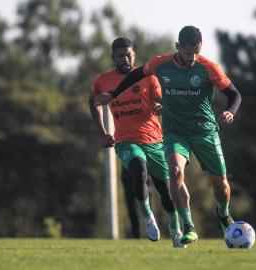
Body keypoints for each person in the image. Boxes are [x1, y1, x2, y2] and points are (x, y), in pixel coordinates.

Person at [95, 26, 242, 245]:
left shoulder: (208, 68)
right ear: (177, 47)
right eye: (187, 53)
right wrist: (114, 95)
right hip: (175, 133)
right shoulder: (159, 63)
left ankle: (222, 212)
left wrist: (230, 111)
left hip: (205, 132)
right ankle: (189, 227)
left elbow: (234, 94)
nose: (192, 58)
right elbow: (136, 75)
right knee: (175, 172)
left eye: (196, 53)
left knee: (221, 184)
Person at [89, 37, 185, 248]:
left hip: (154, 141)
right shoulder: (102, 81)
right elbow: (93, 102)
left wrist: (162, 107)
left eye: (129, 54)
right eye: (120, 55)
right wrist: (104, 132)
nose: (125, 58)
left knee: (166, 192)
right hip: (125, 141)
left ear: (135, 54)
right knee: (138, 170)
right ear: (113, 57)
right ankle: (148, 216)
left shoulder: (148, 77)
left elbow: (162, 101)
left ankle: (175, 230)